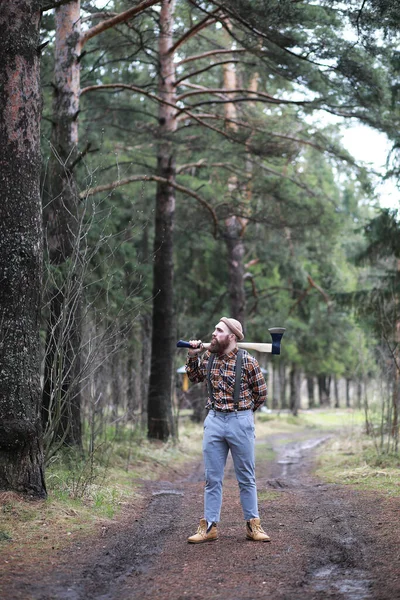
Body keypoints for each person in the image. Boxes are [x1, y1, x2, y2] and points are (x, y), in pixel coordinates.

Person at [186, 317, 270, 543]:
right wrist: (192, 357)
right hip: (214, 420)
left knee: (246, 477)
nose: (213, 333)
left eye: (219, 330)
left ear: (232, 336)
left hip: (240, 420)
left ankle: (253, 525)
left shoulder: (248, 361)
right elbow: (194, 378)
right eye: (214, 329)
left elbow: (261, 394)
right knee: (212, 478)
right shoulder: (208, 357)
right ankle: (210, 526)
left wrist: (243, 414)